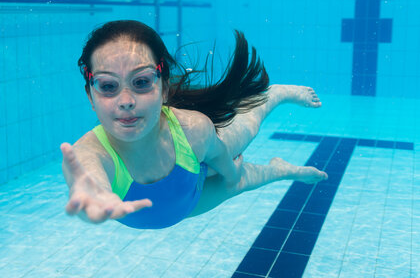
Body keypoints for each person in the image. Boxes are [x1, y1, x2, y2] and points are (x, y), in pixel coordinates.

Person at [61, 20, 327, 229]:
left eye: (141, 82)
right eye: (108, 86)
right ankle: (282, 170)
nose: (126, 101)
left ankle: (274, 93)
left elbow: (221, 155)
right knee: (239, 180)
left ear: (164, 89)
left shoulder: (194, 129)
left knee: (246, 133)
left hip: (192, 174)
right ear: (91, 97)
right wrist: (93, 195)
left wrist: (232, 176)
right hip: (191, 203)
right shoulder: (90, 153)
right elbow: (87, 174)